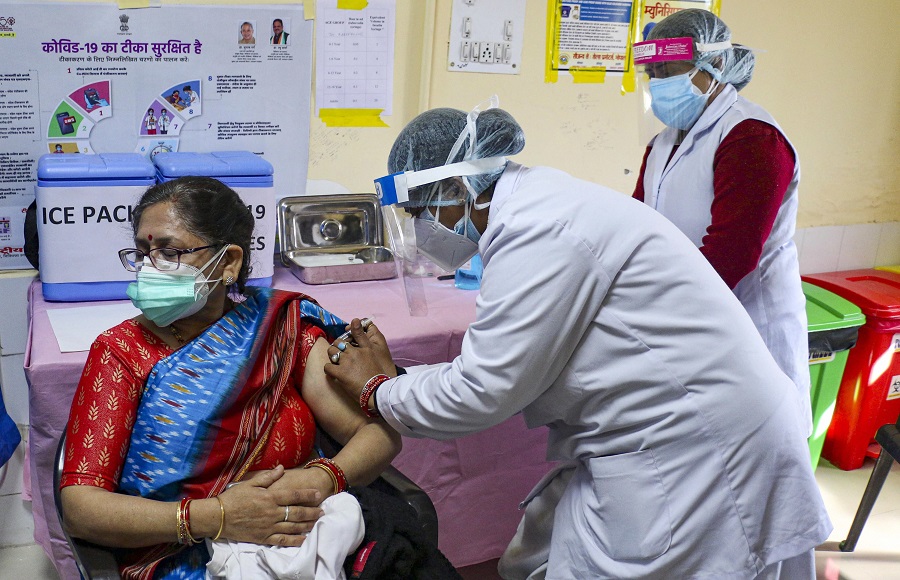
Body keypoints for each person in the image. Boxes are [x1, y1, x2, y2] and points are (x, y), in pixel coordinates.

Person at [325, 105, 832, 579]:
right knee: (534, 555)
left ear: (458, 187)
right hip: (676, 427)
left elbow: (484, 390)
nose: (419, 230)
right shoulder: (538, 204)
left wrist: (377, 389)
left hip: (697, 448)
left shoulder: (541, 231)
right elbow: (495, 366)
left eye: (420, 212)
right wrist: (397, 380)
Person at [59, 176, 401, 578]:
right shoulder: (121, 352)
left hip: (301, 538)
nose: (150, 269)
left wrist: (322, 478)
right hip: (181, 554)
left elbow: (379, 434)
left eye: (169, 252)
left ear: (229, 262)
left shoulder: (278, 330)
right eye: (142, 252)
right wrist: (215, 516)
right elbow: (82, 507)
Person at [632, 9, 811, 435]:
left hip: (746, 329)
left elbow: (731, 255)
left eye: (668, 70)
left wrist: (648, 306)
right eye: (651, 73)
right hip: (687, 323)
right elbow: (635, 222)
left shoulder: (752, 138)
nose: (658, 84)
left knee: (752, 460)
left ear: (708, 69)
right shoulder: (663, 142)